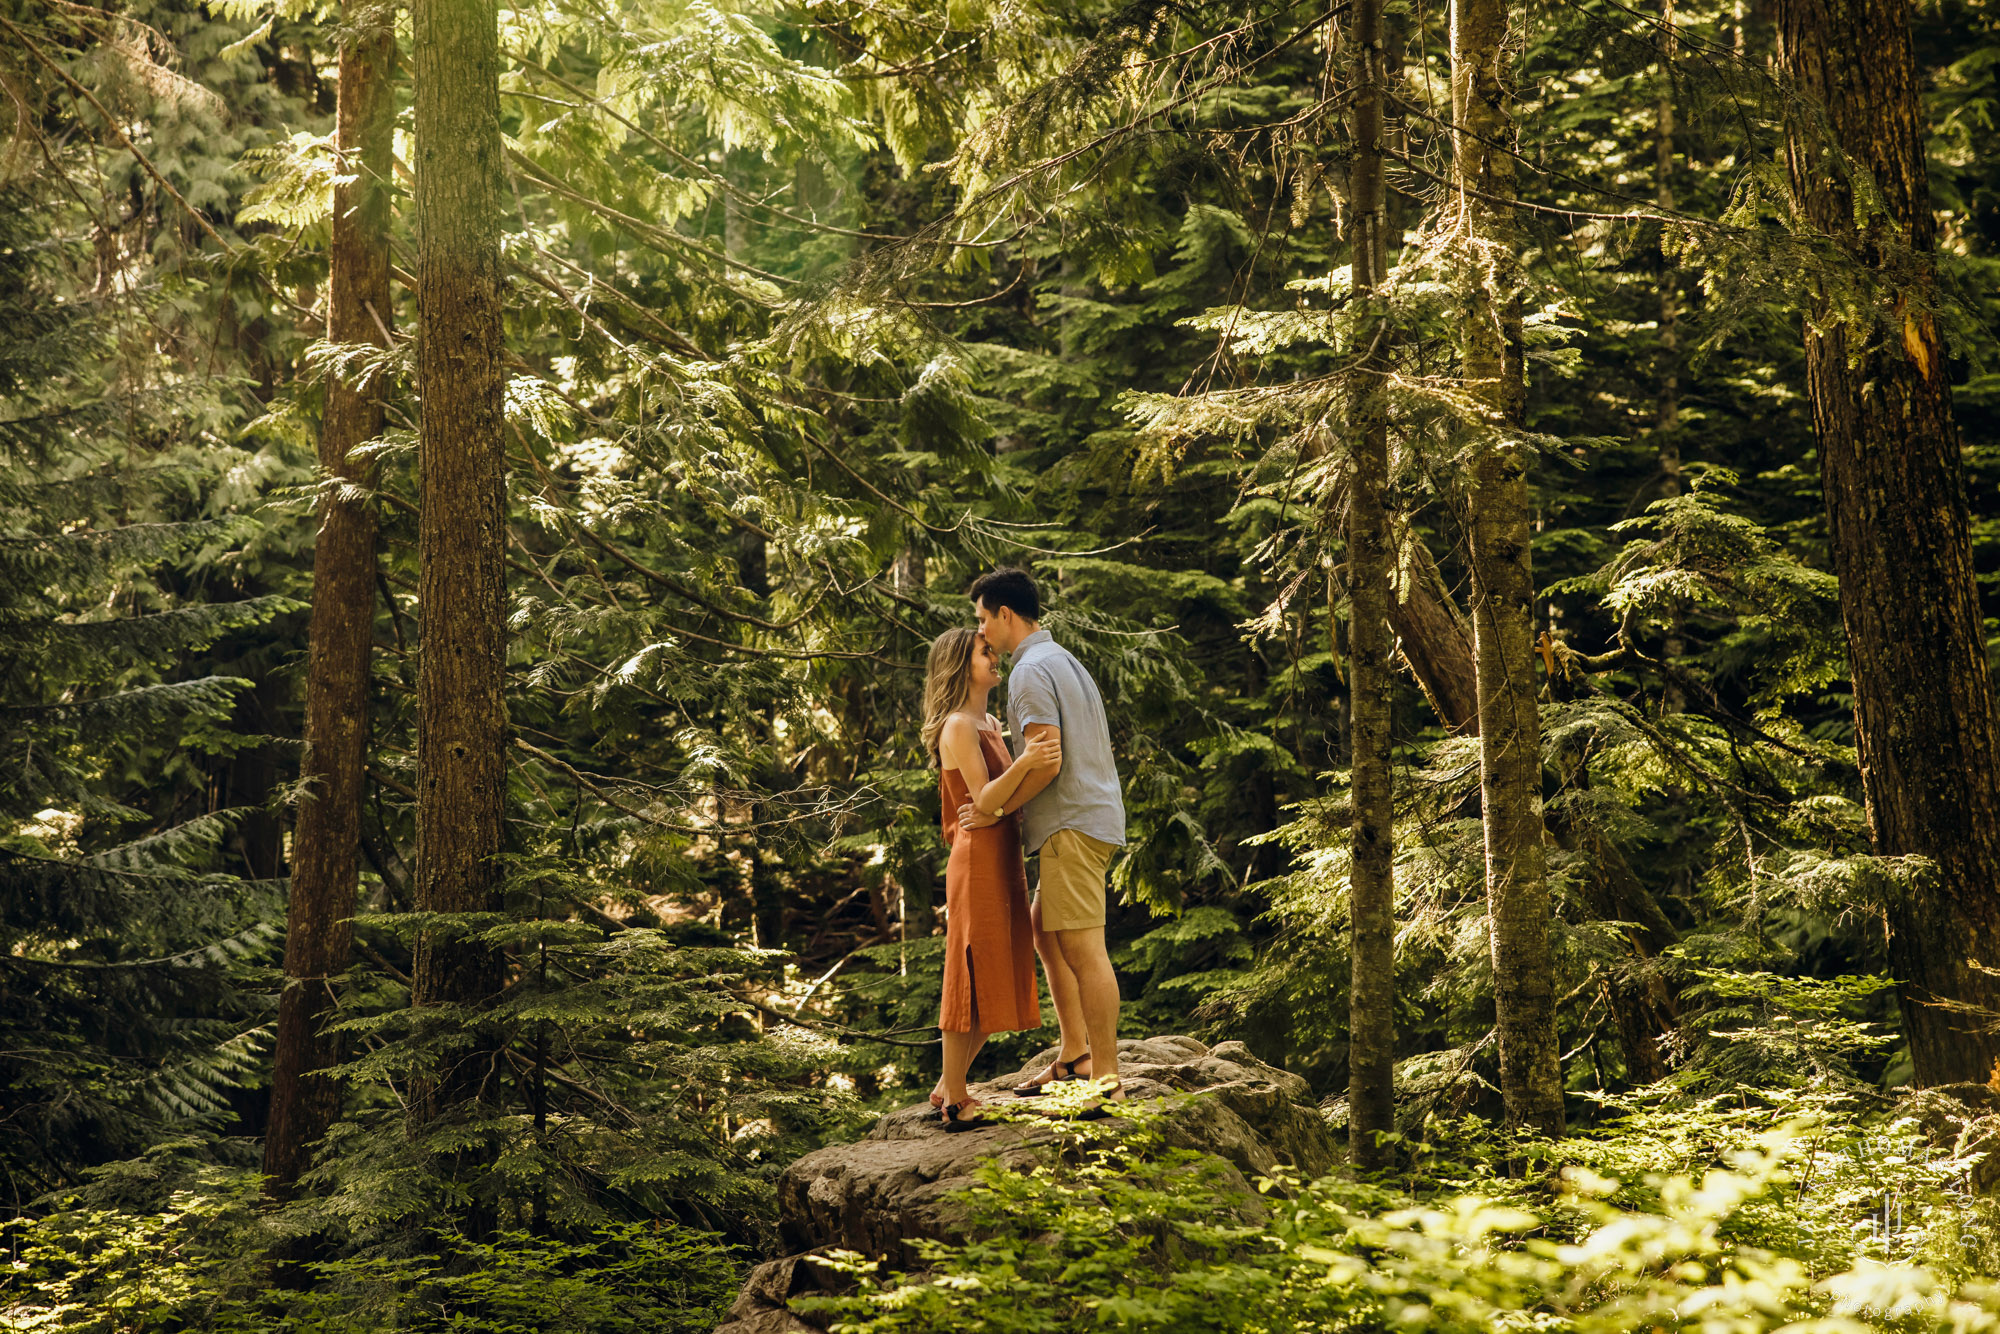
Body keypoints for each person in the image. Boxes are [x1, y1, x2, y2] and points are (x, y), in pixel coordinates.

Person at [960, 567, 1128, 1109]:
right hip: (1087, 816)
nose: (982, 632)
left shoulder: (1029, 671)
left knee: (1083, 948)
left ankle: (1105, 1080)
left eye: (984, 619)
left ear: (1005, 614)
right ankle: (1075, 1052)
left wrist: (994, 810)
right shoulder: (1063, 660)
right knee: (1044, 930)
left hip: (1070, 823)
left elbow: (1046, 757)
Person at [920, 626, 1061, 1131]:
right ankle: (956, 1100)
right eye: (985, 653)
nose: (995, 657)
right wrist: (1023, 760)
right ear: (961, 665)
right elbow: (983, 799)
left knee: (996, 973)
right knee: (972, 976)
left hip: (1001, 856)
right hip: (977, 858)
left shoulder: (988, 721)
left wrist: (1003, 791)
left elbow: (996, 800)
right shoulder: (958, 725)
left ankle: (945, 1084)